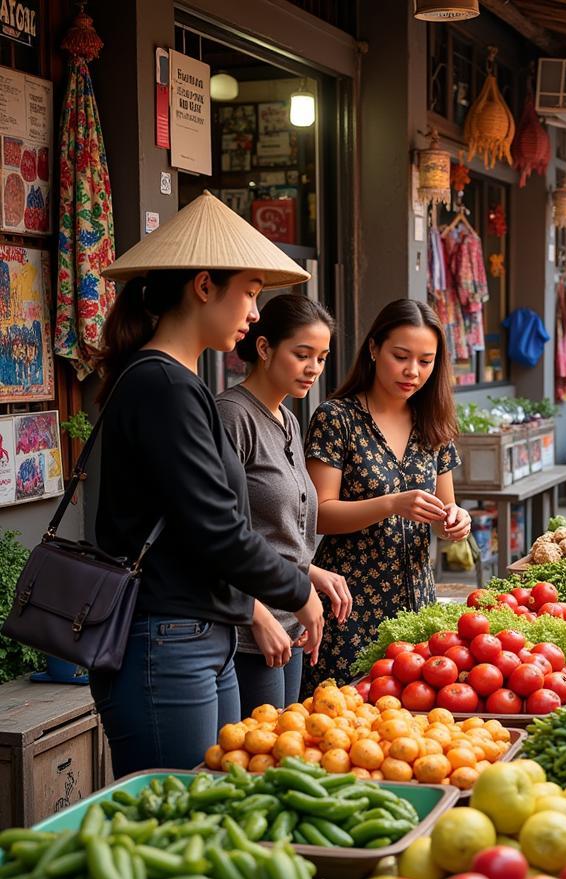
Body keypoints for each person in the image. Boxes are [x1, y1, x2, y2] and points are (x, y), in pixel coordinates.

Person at [91, 191, 327, 777]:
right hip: (167, 639)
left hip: (201, 633)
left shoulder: (180, 383)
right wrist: (297, 589)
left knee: (215, 806)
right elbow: (217, 528)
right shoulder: (164, 387)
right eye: (248, 291)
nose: (253, 313)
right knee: (177, 823)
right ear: (203, 286)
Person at [305, 299, 473, 686]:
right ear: (374, 348)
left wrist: (455, 521)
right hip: (348, 604)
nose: (412, 371)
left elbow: (447, 510)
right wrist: (393, 504)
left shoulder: (434, 421)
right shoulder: (336, 418)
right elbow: (319, 514)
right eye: (401, 356)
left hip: (417, 604)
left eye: (426, 361)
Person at [217, 295, 353, 710]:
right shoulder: (231, 416)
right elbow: (218, 533)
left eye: (322, 357)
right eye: (302, 354)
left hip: (294, 618)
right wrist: (255, 612)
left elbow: (274, 529)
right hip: (249, 630)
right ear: (264, 348)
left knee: (283, 745)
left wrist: (311, 572)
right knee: (252, 760)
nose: (314, 368)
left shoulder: (289, 419)